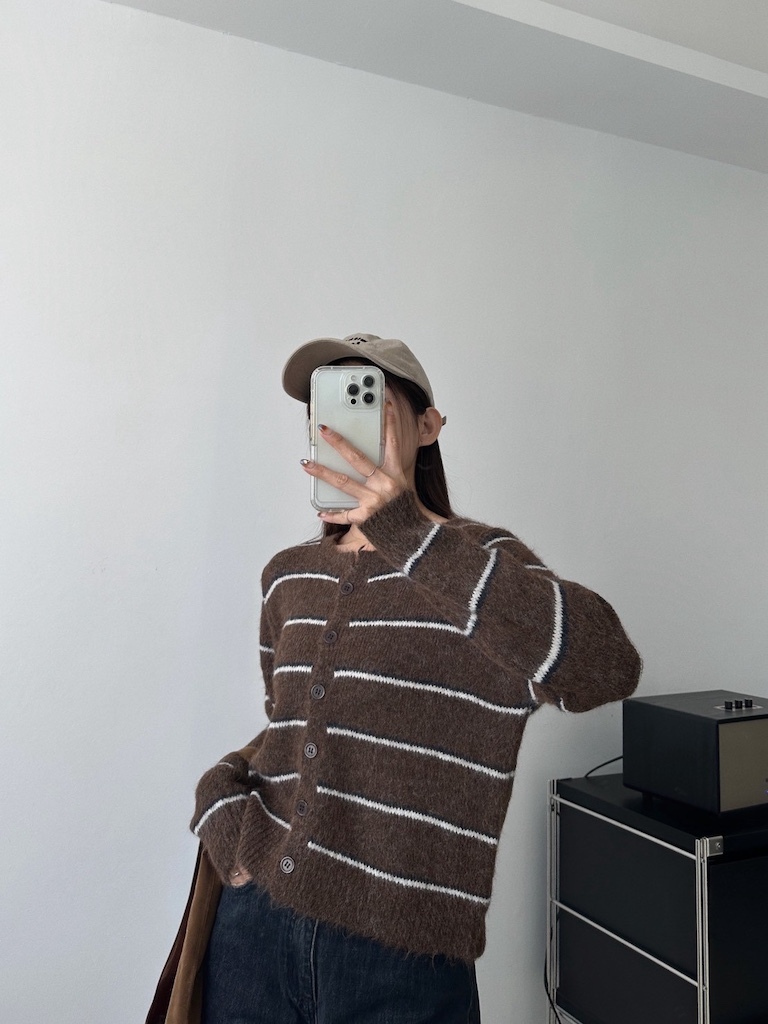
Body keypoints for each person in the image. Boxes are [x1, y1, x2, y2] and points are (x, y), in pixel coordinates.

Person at [190, 334, 641, 1023]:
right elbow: (287, 734)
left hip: (401, 959)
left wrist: (407, 532)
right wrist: (222, 802)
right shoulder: (287, 576)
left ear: (429, 426)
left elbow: (606, 668)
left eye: (367, 403)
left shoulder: (480, 565)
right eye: (325, 411)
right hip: (254, 933)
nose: (341, 427)